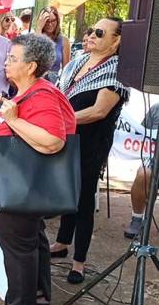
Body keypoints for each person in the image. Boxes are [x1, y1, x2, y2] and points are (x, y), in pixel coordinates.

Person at [0, 34, 76, 305]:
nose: (6, 62)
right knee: (31, 243)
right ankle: (37, 300)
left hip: (18, 187)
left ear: (31, 66)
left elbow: (53, 141)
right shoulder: (31, 93)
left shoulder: (42, 94)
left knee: (18, 253)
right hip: (20, 185)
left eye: (13, 58)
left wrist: (13, 120)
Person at [50, 17, 129, 284]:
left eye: (99, 32)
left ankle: (79, 262)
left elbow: (99, 111)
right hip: (67, 138)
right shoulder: (77, 61)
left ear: (116, 40)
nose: (91, 35)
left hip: (91, 144)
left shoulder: (118, 69)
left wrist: (61, 120)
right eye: (90, 30)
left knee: (83, 198)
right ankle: (61, 243)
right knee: (66, 191)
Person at [123, 103, 159, 239]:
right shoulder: (156, 109)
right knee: (144, 173)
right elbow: (141, 134)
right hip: (154, 159)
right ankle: (137, 219)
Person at [37, 6, 70, 83]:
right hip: (36, 80)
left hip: (53, 83)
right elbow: (34, 56)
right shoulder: (35, 36)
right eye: (47, 21)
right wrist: (39, 28)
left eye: (53, 21)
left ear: (57, 21)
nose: (50, 24)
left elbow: (66, 70)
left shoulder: (64, 40)